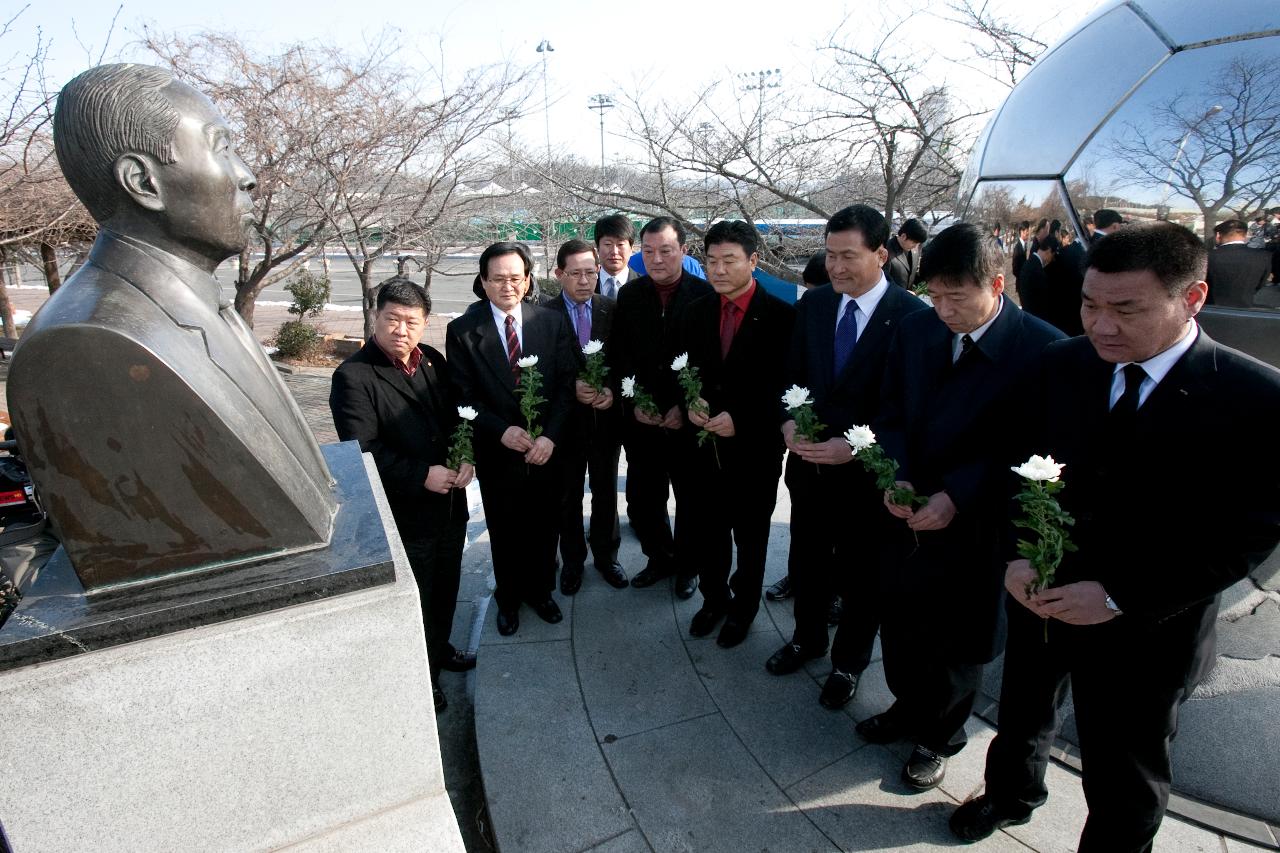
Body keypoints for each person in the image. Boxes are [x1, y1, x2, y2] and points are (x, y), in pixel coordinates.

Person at [949, 222, 1280, 851]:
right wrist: (1017, 556)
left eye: (1126, 309)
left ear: (1194, 297)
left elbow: (1249, 532)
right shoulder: (1059, 365)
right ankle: (1010, 794)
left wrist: (1119, 595)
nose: (1101, 325)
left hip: (1149, 627)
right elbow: (1014, 467)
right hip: (1040, 600)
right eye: (1090, 304)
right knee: (1021, 716)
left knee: (1124, 769)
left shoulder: (1256, 398)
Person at [9, 63, 335, 589]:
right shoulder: (85, 345)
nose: (247, 173)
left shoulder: (200, 304)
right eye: (221, 147)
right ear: (144, 182)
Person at [865, 223, 1063, 790]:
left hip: (977, 523)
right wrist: (898, 475)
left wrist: (959, 495)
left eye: (958, 296)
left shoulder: (1043, 348)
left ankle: (940, 735)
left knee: (958, 640)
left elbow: (1031, 450)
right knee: (900, 623)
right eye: (935, 295)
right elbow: (890, 412)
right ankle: (905, 708)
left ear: (996, 284)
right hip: (908, 510)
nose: (944, 309)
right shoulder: (914, 331)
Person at [765, 204, 929, 713]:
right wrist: (788, 421)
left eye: (847, 257)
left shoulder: (912, 319)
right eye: (829, 256)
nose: (835, 267)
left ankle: (848, 664)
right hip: (810, 469)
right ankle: (807, 639)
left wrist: (855, 447)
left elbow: (908, 407)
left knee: (863, 576)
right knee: (807, 559)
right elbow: (788, 377)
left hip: (868, 479)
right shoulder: (813, 306)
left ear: (881, 254)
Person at [330, 279, 475, 712]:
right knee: (419, 596)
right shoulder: (354, 375)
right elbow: (361, 449)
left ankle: (442, 649)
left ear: (425, 323)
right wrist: (420, 475)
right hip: (406, 510)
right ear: (376, 316)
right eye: (392, 318)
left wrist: (467, 456)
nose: (401, 329)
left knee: (448, 584)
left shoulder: (431, 360)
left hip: (450, 501)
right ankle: (420, 676)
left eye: (411, 322)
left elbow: (456, 419)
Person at [446, 242, 577, 637]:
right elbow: (462, 396)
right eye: (498, 278)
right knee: (505, 530)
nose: (508, 286)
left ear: (528, 280)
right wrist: (500, 430)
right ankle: (508, 599)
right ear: (483, 282)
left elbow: (567, 386)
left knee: (545, 525)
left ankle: (541, 592)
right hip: (498, 449)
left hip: (546, 451)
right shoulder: (464, 332)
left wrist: (550, 437)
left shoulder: (550, 321)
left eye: (515, 278)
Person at [678, 220, 795, 647]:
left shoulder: (782, 317)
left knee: (750, 535)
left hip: (755, 449)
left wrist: (742, 419)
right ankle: (714, 601)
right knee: (708, 529)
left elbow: (787, 388)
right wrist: (689, 401)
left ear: (753, 261)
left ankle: (743, 609)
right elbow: (683, 370)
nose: (719, 270)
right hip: (704, 446)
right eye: (712, 261)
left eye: (730, 260)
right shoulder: (696, 311)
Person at [609, 217, 713, 600]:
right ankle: (660, 557)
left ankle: (688, 566)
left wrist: (686, 408)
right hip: (644, 421)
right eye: (648, 251)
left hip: (687, 422)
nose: (657, 259)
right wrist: (634, 402)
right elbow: (621, 356)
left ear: (684, 251)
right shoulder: (631, 296)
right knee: (643, 497)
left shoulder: (704, 294)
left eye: (666, 250)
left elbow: (709, 362)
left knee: (691, 499)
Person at [544, 239, 628, 593]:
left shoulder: (612, 309)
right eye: (575, 273)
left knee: (606, 489)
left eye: (590, 273)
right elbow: (540, 370)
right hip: (565, 426)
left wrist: (612, 390)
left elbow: (625, 360)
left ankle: (607, 556)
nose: (584, 281)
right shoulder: (543, 316)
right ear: (559, 273)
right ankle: (573, 560)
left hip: (605, 421)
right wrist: (569, 388)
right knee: (568, 493)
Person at [767, 249, 832, 603]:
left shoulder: (897, 314)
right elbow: (788, 375)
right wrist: (788, 420)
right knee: (804, 529)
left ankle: (837, 590)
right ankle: (797, 577)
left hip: (853, 454)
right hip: (806, 452)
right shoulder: (806, 312)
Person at [1206, 219, 1271, 307]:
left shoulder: (1207, 256)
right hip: (1245, 308)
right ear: (1245, 235)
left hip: (1210, 308)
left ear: (1218, 235)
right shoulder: (1263, 256)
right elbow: (1261, 283)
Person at [594, 213, 635, 299]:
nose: (614, 251)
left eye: (620, 244)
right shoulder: (585, 286)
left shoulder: (647, 287)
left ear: (631, 248)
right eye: (608, 244)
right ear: (598, 247)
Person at [1015, 238, 1055, 324]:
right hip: (1037, 319)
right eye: (1052, 256)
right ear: (1049, 250)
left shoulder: (1029, 263)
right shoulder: (1037, 271)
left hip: (1029, 316)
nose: (1051, 260)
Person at [884, 218, 929, 290]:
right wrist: (903, 294)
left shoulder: (915, 249)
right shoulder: (886, 251)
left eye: (918, 243)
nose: (916, 246)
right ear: (903, 236)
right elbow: (882, 284)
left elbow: (912, 277)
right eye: (914, 242)